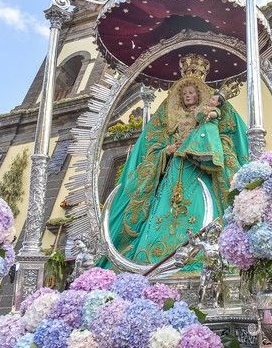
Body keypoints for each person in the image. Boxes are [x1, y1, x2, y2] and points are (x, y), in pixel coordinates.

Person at [104, 53, 249, 270]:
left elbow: (228, 136)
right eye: (184, 93)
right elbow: (151, 145)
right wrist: (166, 151)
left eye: (192, 92)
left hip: (198, 172)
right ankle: (153, 264)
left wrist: (207, 138)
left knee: (202, 210)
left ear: (199, 94)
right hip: (173, 172)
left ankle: (205, 260)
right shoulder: (167, 118)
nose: (187, 96)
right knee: (162, 215)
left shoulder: (210, 114)